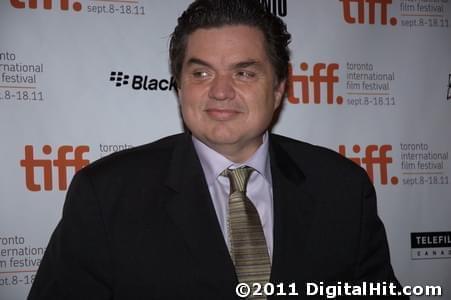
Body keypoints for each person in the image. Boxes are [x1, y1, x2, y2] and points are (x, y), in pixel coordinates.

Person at [28, 0, 407, 299]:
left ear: (278, 90)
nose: (221, 91)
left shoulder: (342, 188)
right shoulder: (105, 194)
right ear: (179, 86)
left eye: (244, 73)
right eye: (201, 73)